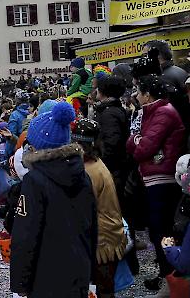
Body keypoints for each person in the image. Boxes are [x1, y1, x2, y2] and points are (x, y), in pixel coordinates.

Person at [10, 102, 97, 298]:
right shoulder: (83, 176)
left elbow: (26, 234)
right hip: (79, 267)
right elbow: (92, 225)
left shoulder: (35, 181)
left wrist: (20, 281)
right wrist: (92, 270)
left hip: (46, 271)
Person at [126, 75, 186, 291]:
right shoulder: (151, 112)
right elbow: (133, 143)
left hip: (162, 178)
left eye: (139, 92)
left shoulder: (163, 112)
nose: (136, 96)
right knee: (157, 229)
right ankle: (167, 277)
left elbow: (142, 148)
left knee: (161, 230)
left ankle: (170, 279)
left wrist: (136, 140)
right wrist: (136, 140)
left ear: (148, 94)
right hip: (153, 175)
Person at [73, 119, 127, 298]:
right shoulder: (96, 164)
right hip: (109, 233)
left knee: (102, 290)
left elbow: (81, 208)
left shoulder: (89, 171)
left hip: (102, 240)